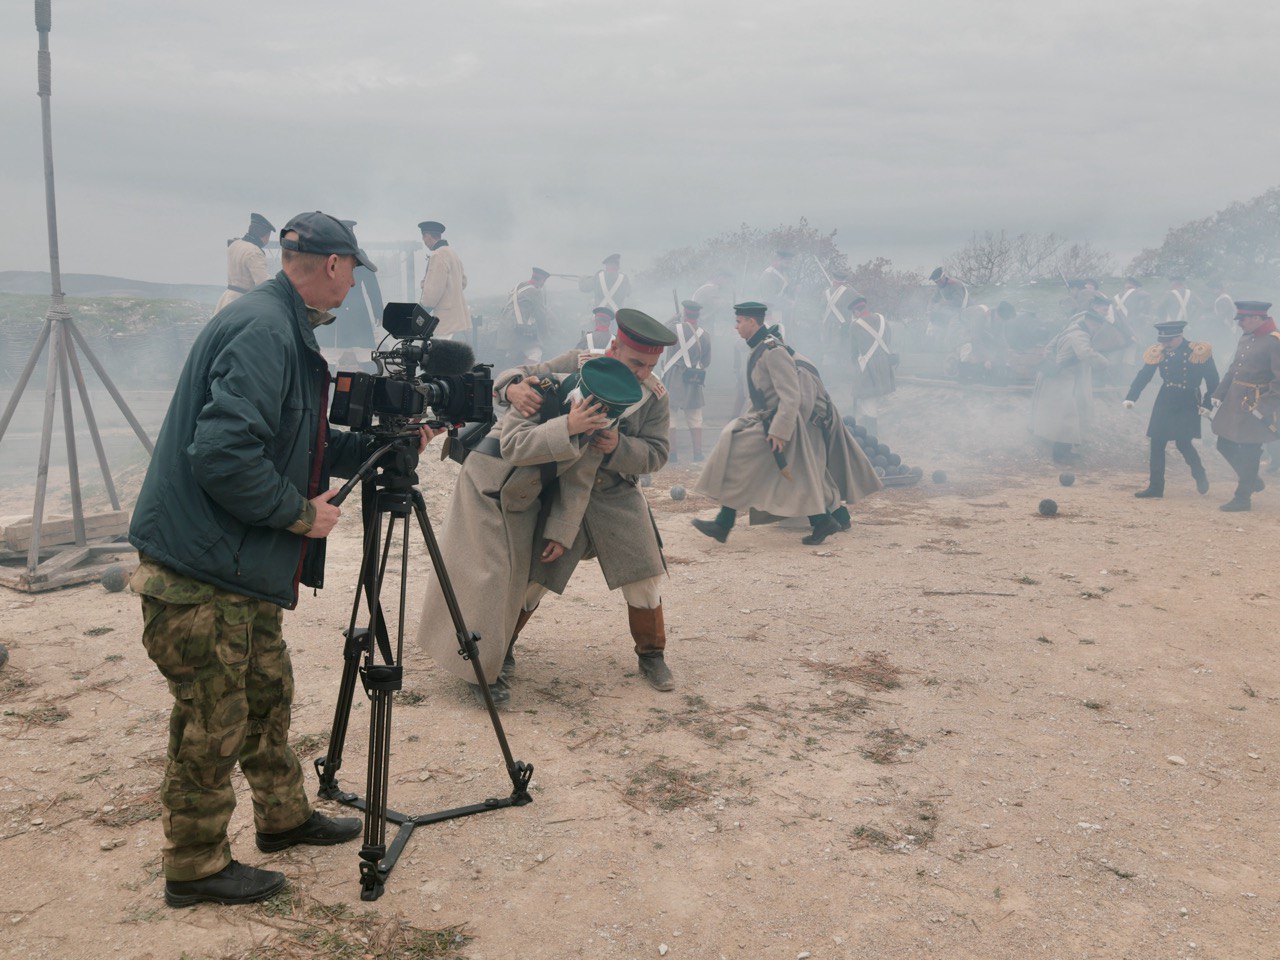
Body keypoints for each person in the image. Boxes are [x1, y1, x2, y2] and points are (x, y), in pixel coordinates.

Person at [128, 212, 439, 907]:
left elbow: (292, 435)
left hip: (235, 566)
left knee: (266, 695)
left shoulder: (281, 325)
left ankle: (283, 819)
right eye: (353, 269)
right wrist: (302, 515)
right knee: (213, 722)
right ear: (332, 265)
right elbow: (222, 454)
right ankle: (196, 865)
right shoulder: (266, 331)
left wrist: (380, 445)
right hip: (201, 571)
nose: (354, 282)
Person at [416, 357, 636, 706]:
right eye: (595, 413)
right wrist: (567, 425)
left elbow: (578, 484)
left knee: (514, 580)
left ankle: (492, 655)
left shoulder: (596, 431)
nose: (599, 422)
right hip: (485, 488)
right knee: (491, 579)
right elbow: (514, 446)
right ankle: (480, 674)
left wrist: (561, 532)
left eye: (605, 418)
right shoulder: (540, 396)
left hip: (521, 499)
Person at [496, 309, 679, 691]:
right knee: (536, 578)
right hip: (562, 492)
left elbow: (658, 453)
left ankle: (652, 654)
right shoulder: (576, 363)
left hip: (617, 494)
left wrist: (620, 447)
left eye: (649, 365)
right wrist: (511, 386)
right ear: (613, 347)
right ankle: (502, 646)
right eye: (635, 362)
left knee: (644, 576)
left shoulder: (654, 395)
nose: (642, 373)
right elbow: (525, 375)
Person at [693, 303, 864, 545]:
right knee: (793, 475)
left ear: (753, 322)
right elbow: (764, 394)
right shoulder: (760, 349)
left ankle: (724, 522)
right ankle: (822, 521)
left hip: (778, 426)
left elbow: (791, 396)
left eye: (740, 321)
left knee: (737, 452)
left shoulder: (773, 351)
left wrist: (780, 432)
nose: (736, 326)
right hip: (768, 421)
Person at [1122, 320, 1218, 498]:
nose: (1165, 344)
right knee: (1157, 443)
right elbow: (1144, 375)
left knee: (1183, 443)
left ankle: (1199, 473)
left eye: (1170, 340)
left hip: (1188, 400)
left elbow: (1213, 380)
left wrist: (1207, 404)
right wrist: (1131, 396)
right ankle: (1156, 487)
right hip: (1165, 398)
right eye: (1163, 340)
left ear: (1180, 336)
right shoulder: (1158, 352)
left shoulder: (1198, 351)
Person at [1210, 300, 1280, 511]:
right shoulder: (1246, 337)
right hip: (1234, 401)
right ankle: (1252, 480)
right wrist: (1219, 393)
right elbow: (1233, 369)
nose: (1240, 323)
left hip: (1256, 403)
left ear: (1258, 318)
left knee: (1250, 450)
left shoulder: (1274, 341)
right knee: (1224, 443)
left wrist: (1264, 407)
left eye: (1244, 319)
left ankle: (1243, 498)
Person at [1030, 308, 1111, 463]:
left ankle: (1062, 452)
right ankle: (1061, 455)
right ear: (1091, 322)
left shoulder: (1068, 330)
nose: (1098, 328)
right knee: (1067, 417)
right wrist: (1105, 363)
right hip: (1063, 380)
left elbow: (1048, 349)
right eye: (1098, 325)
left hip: (1056, 377)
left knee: (1062, 416)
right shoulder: (1080, 334)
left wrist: (1056, 361)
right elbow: (1085, 353)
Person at [319, 219, 383, 367]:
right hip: (337, 310)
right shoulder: (331, 255)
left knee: (364, 355)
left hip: (351, 312)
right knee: (330, 357)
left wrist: (378, 310)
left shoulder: (357, 254)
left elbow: (371, 284)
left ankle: (371, 389)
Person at [661, 299, 712, 462]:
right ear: (697, 315)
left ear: (684, 313)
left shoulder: (672, 329)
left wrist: (672, 319)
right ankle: (697, 454)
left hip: (673, 376)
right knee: (695, 417)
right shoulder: (704, 335)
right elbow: (706, 361)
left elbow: (657, 332)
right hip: (693, 378)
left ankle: (673, 454)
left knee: (671, 415)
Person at [848, 295, 897, 432]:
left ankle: (871, 433)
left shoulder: (855, 326)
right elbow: (888, 340)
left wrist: (855, 367)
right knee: (873, 397)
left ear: (856, 312)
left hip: (868, 366)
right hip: (885, 364)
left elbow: (853, 351)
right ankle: (868, 427)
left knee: (867, 398)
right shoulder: (882, 319)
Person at [417, 220, 471, 340]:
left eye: (424, 238)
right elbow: (463, 282)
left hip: (445, 321)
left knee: (441, 356)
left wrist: (420, 312)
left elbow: (432, 292)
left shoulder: (438, 255)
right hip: (458, 319)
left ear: (428, 236)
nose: (424, 242)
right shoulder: (452, 253)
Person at [215, 213, 274, 312]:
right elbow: (262, 282)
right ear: (264, 235)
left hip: (227, 297)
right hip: (242, 301)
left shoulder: (235, 244)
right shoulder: (255, 251)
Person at [499, 267, 557, 365]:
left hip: (506, 331)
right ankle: (526, 376)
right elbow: (541, 317)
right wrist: (547, 337)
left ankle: (510, 374)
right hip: (519, 331)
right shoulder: (535, 292)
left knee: (513, 357)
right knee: (535, 353)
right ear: (542, 281)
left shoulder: (518, 287)